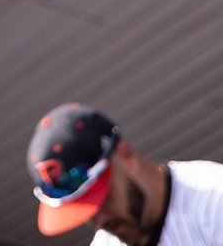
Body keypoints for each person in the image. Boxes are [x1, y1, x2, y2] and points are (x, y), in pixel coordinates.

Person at [26, 102, 223, 245]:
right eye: (87, 211)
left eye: (101, 199)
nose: (99, 221)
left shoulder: (213, 199)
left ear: (126, 155)